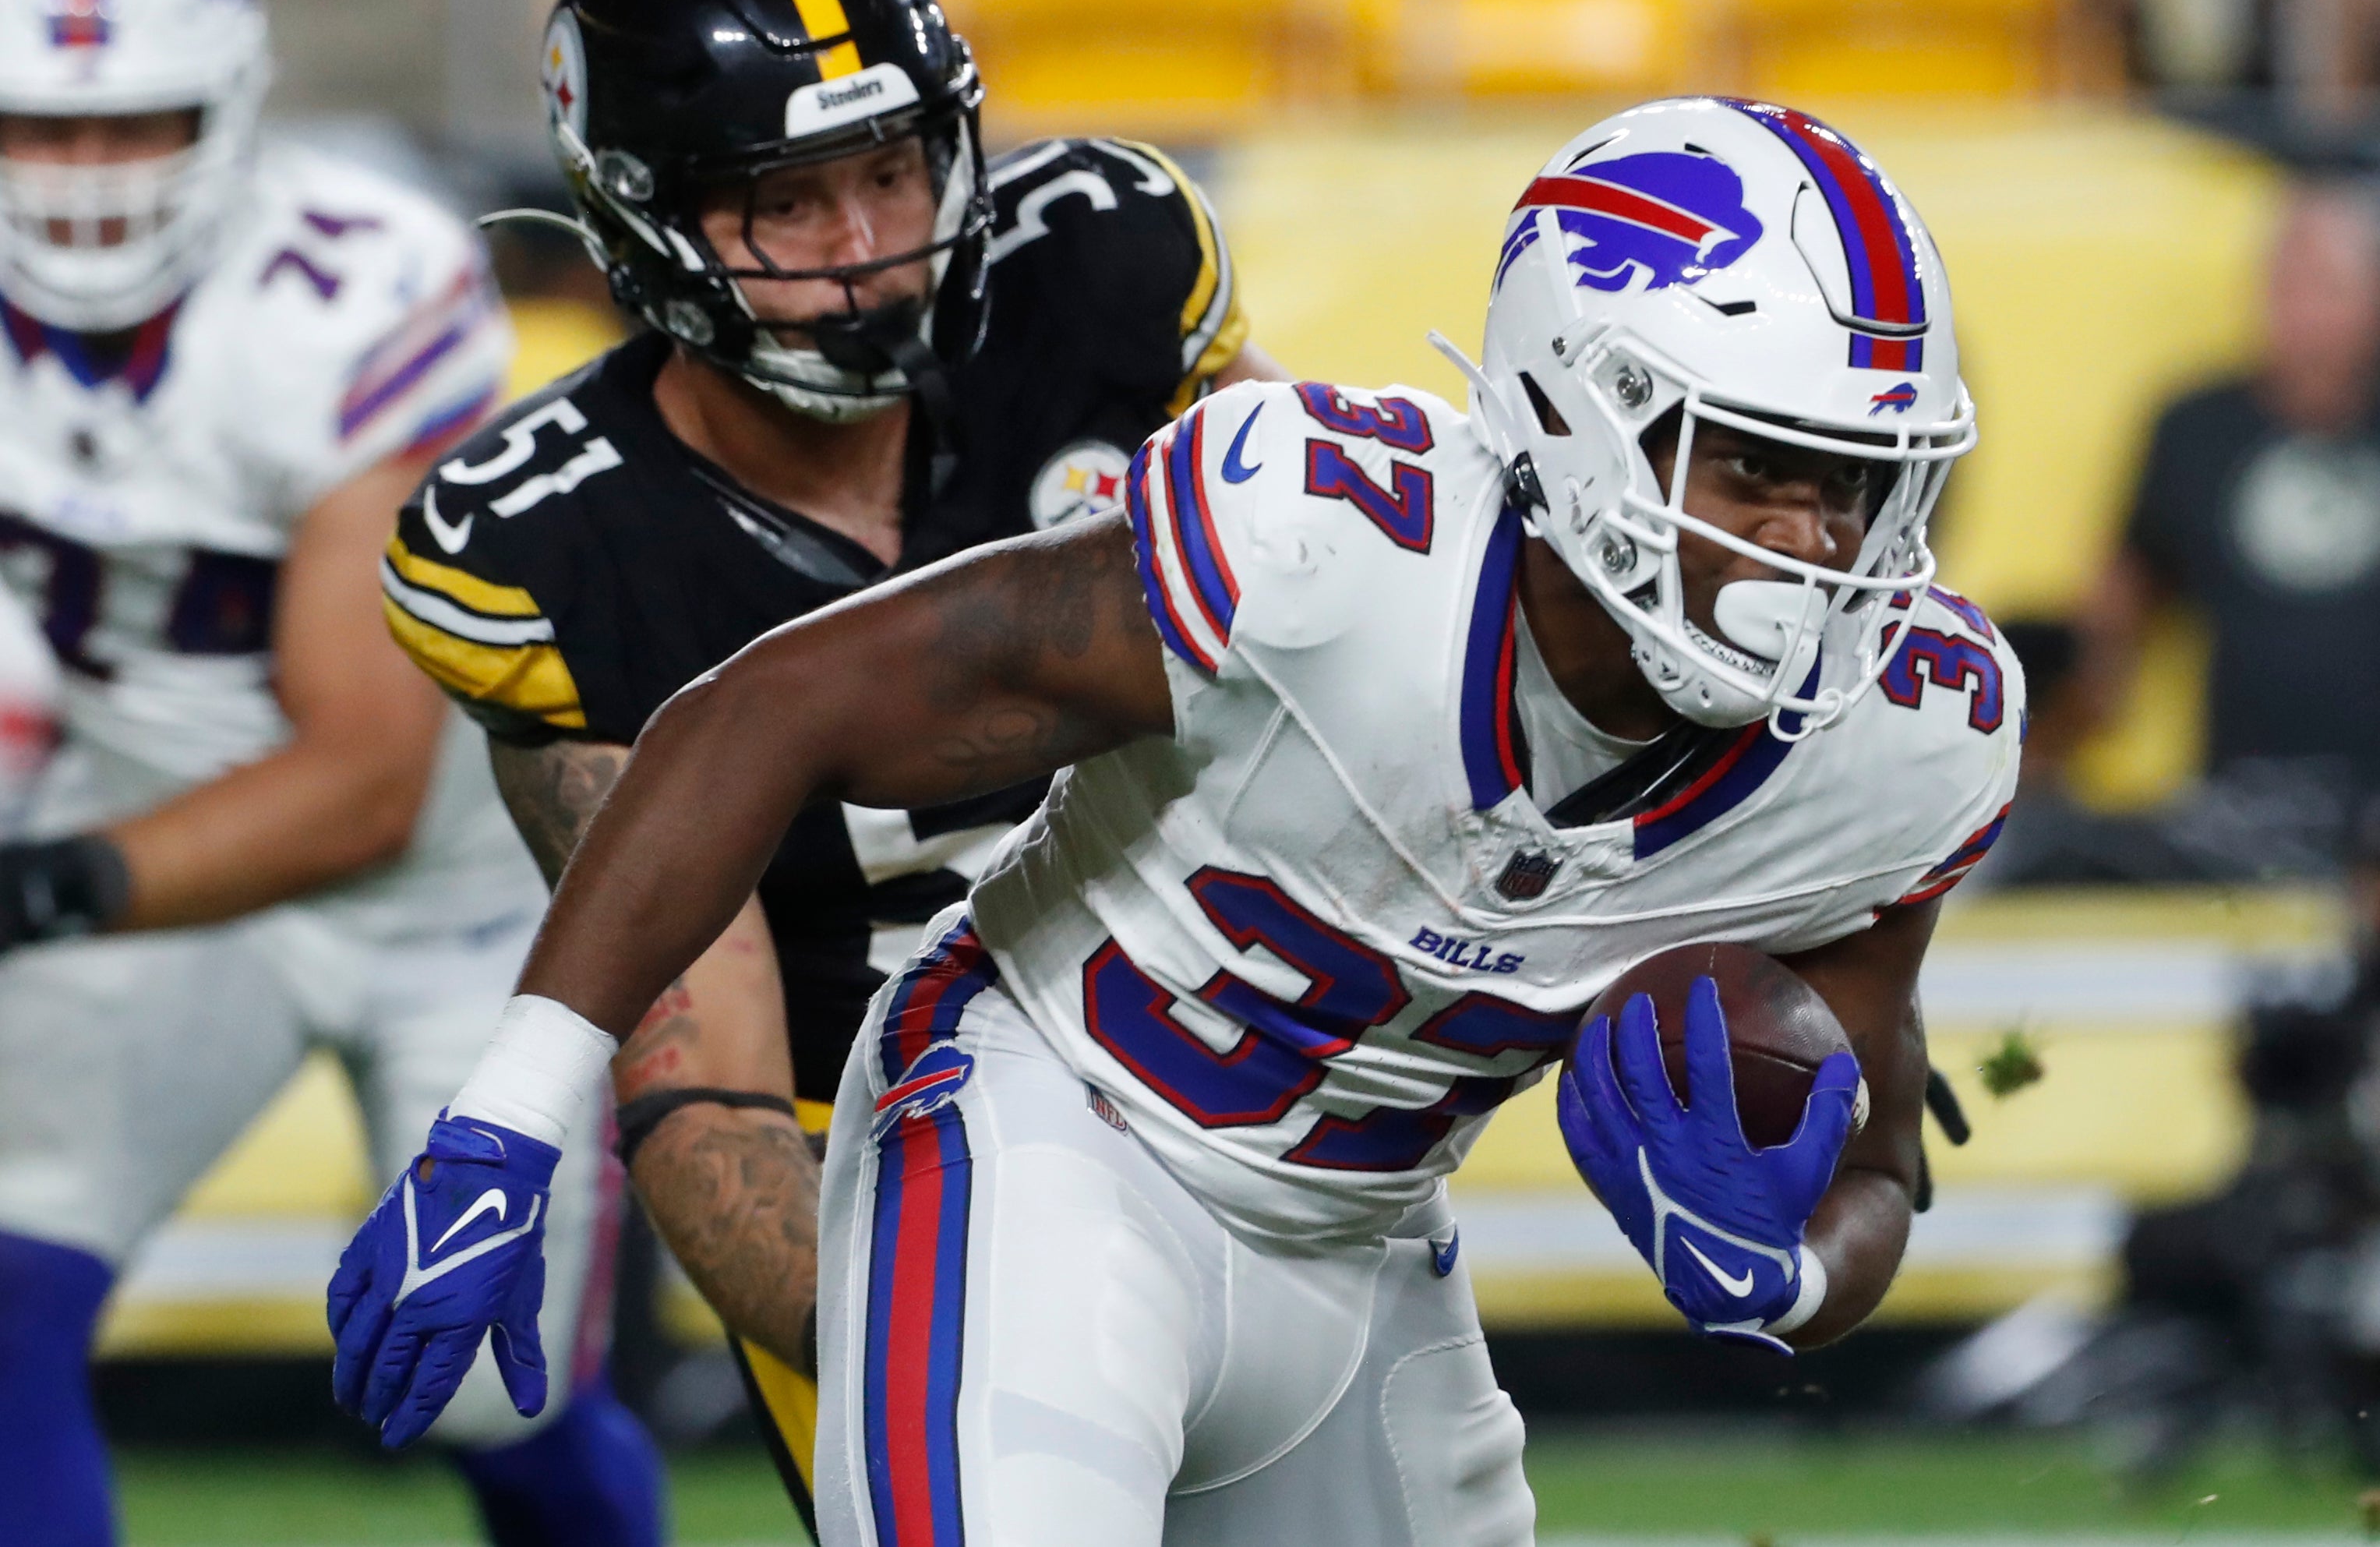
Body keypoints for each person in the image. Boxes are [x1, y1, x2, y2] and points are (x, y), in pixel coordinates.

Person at [332, 96, 2022, 1543]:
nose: (1816, 548)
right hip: (1047, 1140)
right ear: (1579, 413)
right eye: (1752, 467)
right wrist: (513, 1113)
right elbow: (765, 708)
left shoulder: (1904, 741)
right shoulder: (1325, 548)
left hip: (1359, 1257)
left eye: (1857, 484)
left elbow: (1871, 1161)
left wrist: (1783, 1274)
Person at [373, 0, 1286, 1524]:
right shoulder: (554, 543)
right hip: (885, 1151)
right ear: (640, 210)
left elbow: (1359, 656)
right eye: (786, 205)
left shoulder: (1102, 279)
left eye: (887, 171)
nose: (867, 251)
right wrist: (953, 1347)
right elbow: (701, 1072)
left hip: (1229, 1061)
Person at [0, 0, 662, 1547]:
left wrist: (48, 881)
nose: (79, 183)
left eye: (128, 124)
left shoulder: (354, 286)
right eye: (37, 127)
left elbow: (361, 777)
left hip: (445, 893)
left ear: (226, 106)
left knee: (489, 1396)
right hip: (144, 838)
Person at [2079, 177, 2380, 864]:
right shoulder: (2197, 427)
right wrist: (2060, 733)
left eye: (2324, 285)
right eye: (2280, 281)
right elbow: (2123, 594)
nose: (2293, 309)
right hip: (2240, 797)